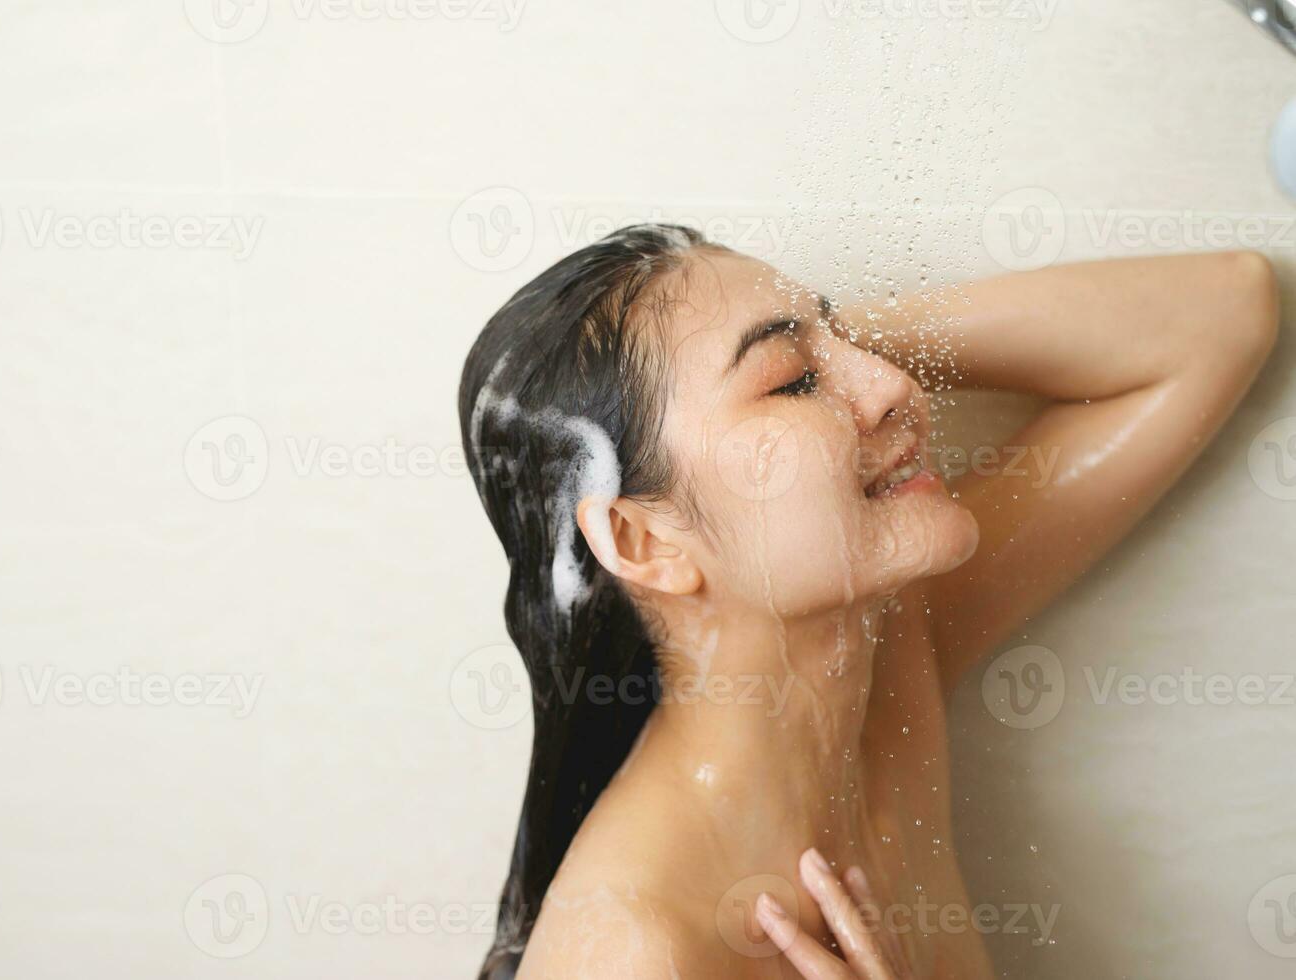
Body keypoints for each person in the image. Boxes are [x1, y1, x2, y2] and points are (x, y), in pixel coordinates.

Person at [457, 224, 1279, 978]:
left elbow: (1224, 309)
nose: (894, 387)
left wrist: (814, 340)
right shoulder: (637, 952)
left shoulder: (885, 656)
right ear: (645, 543)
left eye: (848, 345)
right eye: (795, 381)